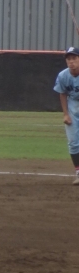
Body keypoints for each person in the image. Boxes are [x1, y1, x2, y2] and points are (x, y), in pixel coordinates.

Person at [53, 47, 79, 186]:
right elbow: (62, 94)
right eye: (69, 59)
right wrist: (65, 114)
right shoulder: (63, 75)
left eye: (74, 58)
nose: (71, 61)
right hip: (73, 106)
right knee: (73, 142)